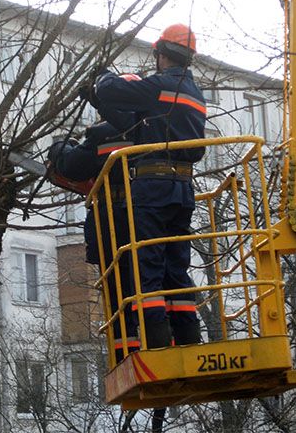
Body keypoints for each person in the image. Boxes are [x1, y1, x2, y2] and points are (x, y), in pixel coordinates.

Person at [91, 24, 206, 349]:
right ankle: (187, 337)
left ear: (161, 55)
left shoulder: (158, 87)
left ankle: (155, 342)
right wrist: (104, 107)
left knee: (148, 265)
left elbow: (114, 90)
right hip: (182, 188)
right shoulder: (193, 95)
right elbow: (137, 125)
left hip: (152, 187)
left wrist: (103, 78)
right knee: (176, 267)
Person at [48, 121, 137, 362]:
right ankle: (167, 337)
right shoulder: (156, 126)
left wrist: (59, 148)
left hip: (114, 220)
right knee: (153, 281)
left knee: (118, 291)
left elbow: (72, 166)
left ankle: (125, 352)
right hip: (151, 216)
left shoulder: (105, 133)